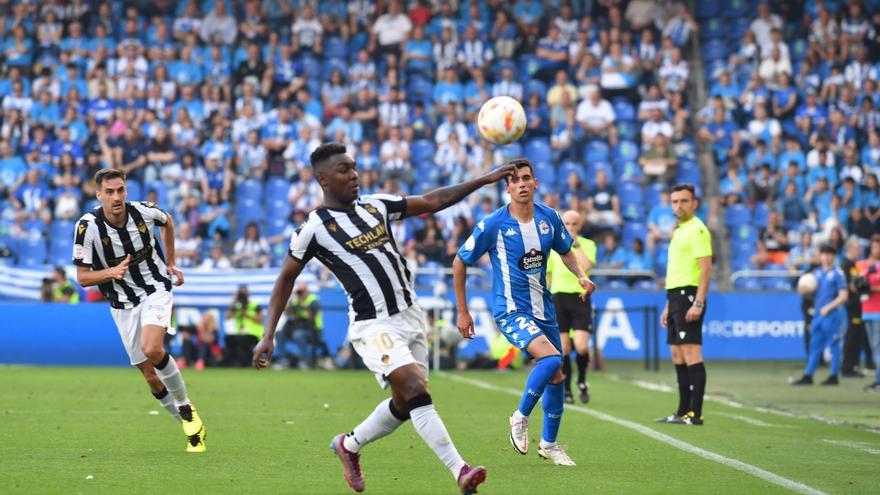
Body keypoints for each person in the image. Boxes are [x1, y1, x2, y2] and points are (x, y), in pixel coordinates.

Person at [253, 143, 514, 494]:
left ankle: (349, 445)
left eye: (354, 167)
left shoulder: (377, 205)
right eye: (344, 170)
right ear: (323, 179)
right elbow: (286, 278)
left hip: (410, 316)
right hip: (372, 324)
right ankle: (460, 471)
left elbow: (433, 201)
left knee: (407, 404)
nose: (354, 174)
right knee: (414, 388)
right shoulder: (314, 228)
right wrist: (269, 334)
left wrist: (484, 179)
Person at [453, 158, 596, 467]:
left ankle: (550, 444)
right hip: (511, 309)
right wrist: (462, 311)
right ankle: (520, 417)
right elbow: (460, 261)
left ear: (535, 183)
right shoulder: (493, 224)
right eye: (515, 180)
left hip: (544, 309)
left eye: (526, 178)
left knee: (557, 375)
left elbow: (567, 251)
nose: (521, 184)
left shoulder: (550, 218)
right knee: (552, 359)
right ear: (507, 187)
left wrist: (581, 276)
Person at [72, 168, 205, 452]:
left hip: (155, 288)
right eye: (110, 192)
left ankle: (185, 408)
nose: (116, 197)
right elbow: (82, 278)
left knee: (153, 348)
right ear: (99, 195)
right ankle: (188, 428)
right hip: (122, 303)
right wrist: (111, 272)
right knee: (150, 377)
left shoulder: (144, 212)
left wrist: (170, 262)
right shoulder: (87, 227)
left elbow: (167, 220)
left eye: (120, 190)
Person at [656, 183, 712, 426]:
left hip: (689, 296)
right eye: (675, 201)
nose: (678, 205)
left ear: (694, 203)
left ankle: (695, 414)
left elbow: (706, 269)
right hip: (675, 297)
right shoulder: (679, 230)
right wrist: (669, 305)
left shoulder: (698, 230)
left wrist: (698, 302)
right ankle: (681, 411)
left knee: (691, 353)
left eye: (684, 201)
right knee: (677, 354)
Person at [546, 210, 596, 404]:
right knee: (564, 348)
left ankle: (582, 380)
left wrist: (575, 243)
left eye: (574, 223)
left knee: (582, 346)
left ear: (579, 225)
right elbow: (548, 274)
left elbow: (586, 266)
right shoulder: (553, 246)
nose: (570, 227)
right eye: (567, 223)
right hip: (558, 297)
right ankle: (566, 389)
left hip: (580, 297)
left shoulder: (588, 245)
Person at [792, 245, 848, 386]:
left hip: (832, 314)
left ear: (834, 256)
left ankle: (834, 375)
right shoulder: (815, 274)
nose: (826, 257)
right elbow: (811, 294)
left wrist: (829, 307)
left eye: (830, 254)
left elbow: (843, 296)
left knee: (834, 345)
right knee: (814, 346)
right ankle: (808, 375)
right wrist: (803, 290)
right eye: (824, 254)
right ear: (820, 255)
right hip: (817, 315)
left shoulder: (838, 274)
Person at [857, 235, 880, 392]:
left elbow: (869, 287)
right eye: (874, 246)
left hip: (878, 310)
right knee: (874, 348)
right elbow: (857, 284)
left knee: (878, 347)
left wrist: (869, 288)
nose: (876, 249)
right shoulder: (868, 267)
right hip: (867, 310)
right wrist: (859, 285)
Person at [224, 285, 264, 367]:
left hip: (254, 334)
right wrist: (234, 302)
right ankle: (233, 361)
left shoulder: (254, 305)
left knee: (243, 341)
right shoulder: (237, 306)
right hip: (241, 333)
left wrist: (246, 313)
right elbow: (227, 316)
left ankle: (246, 361)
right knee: (228, 338)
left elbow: (259, 319)